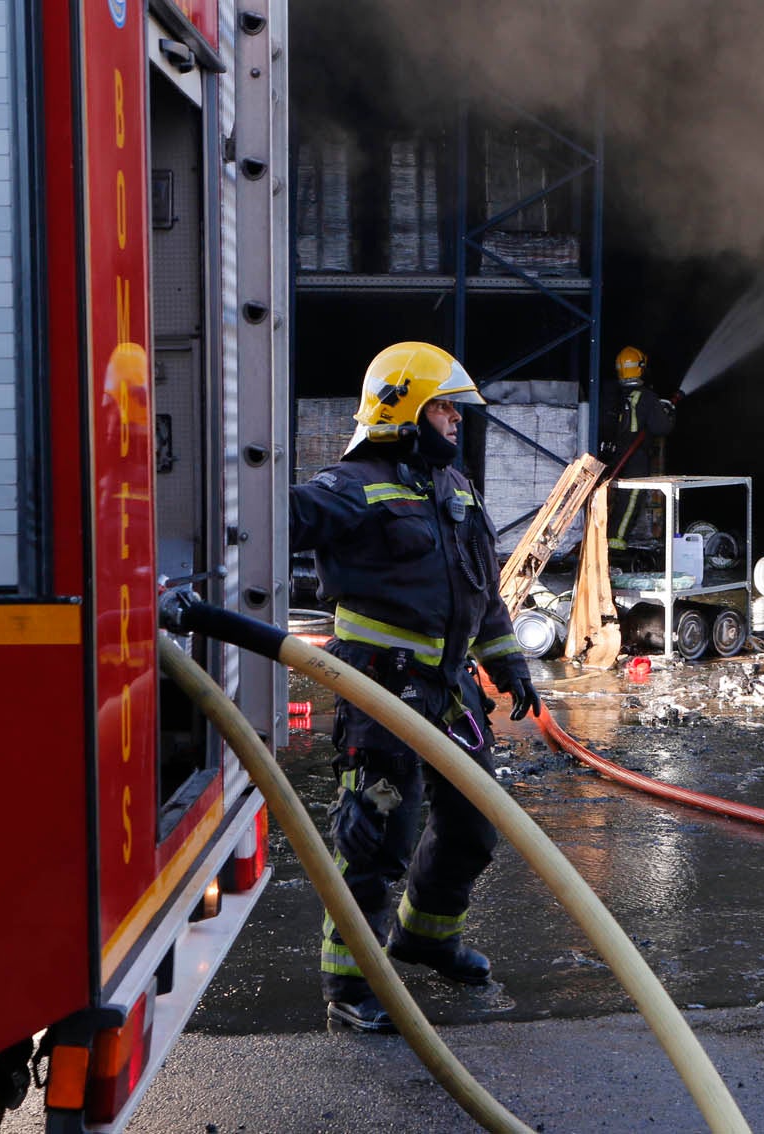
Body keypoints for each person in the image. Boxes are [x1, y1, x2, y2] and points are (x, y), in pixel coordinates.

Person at [289, 341, 541, 1033]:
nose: (454, 423)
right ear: (403, 412)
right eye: (442, 410)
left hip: (451, 692)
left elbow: (482, 591)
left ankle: (426, 936)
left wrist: (508, 662)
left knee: (473, 826)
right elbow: (274, 518)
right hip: (381, 697)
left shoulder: (454, 489)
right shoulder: (349, 486)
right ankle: (351, 986)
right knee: (375, 843)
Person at [603, 345, 677, 550]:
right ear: (641, 368)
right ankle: (616, 541)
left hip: (614, 454)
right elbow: (661, 427)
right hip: (635, 456)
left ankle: (605, 537)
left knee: (613, 497)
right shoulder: (646, 397)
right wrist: (668, 412)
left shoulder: (613, 393)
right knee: (632, 497)